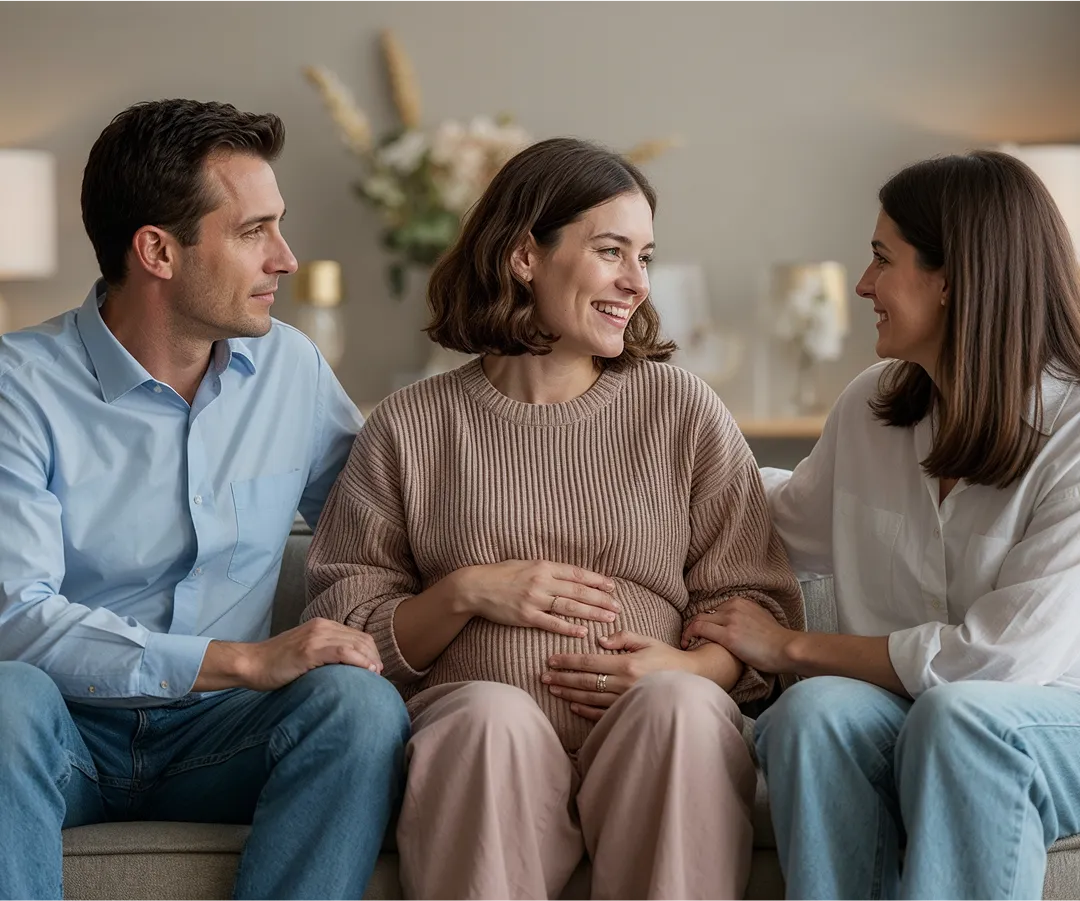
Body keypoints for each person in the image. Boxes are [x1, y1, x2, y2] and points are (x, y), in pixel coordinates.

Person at [304, 136, 804, 901]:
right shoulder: (410, 426)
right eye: (612, 252)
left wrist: (691, 666)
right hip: (478, 738)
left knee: (678, 709)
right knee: (487, 720)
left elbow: (756, 606)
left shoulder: (682, 411)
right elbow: (346, 628)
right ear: (524, 257)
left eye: (645, 256)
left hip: (653, 731)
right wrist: (465, 590)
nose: (636, 282)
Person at [0, 99, 409, 901]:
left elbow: (381, 534)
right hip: (66, 727)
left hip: (225, 734)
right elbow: (15, 616)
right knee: (2, 698)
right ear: (157, 249)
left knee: (357, 709)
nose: (285, 258)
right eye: (254, 231)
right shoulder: (18, 387)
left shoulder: (291, 369)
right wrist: (244, 660)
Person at [682, 150, 1080, 901]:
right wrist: (650, 465)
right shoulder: (875, 406)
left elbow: (998, 664)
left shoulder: (1076, 432)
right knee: (812, 713)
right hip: (928, 705)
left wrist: (792, 644)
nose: (863, 285)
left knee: (961, 721)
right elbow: (773, 520)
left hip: (1051, 708)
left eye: (880, 259)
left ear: (953, 277)